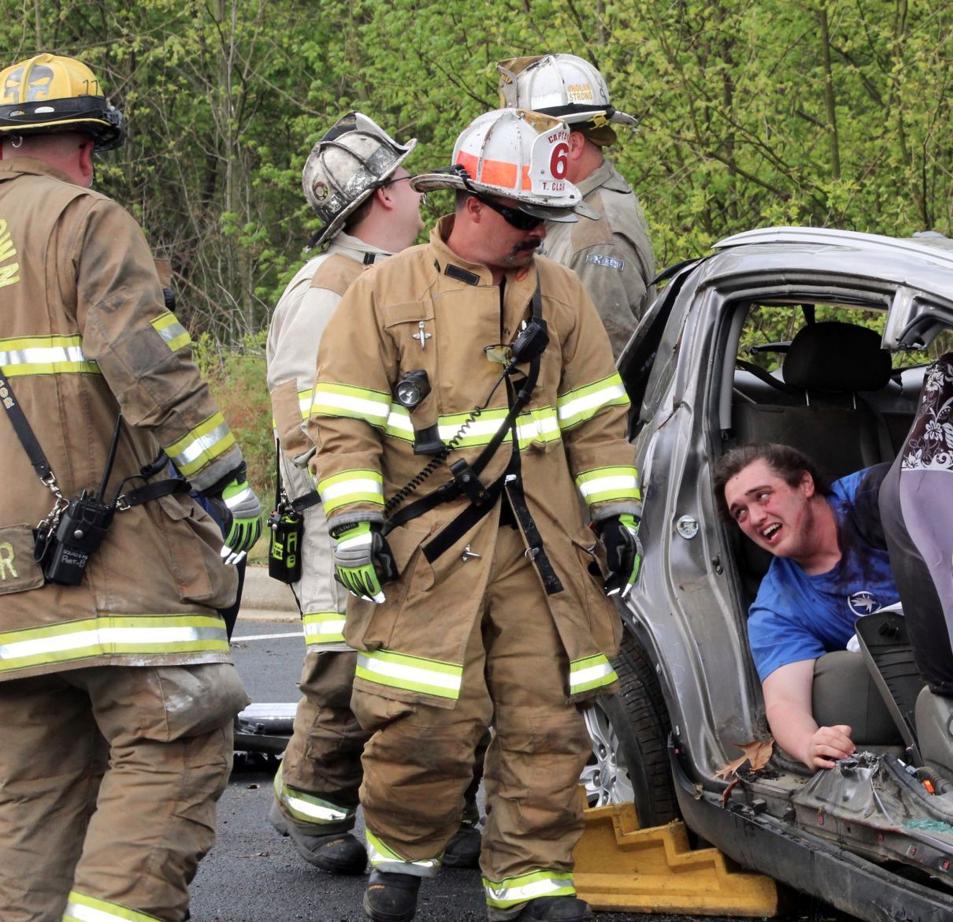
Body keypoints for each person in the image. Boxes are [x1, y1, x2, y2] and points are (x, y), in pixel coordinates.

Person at [308, 107, 641, 922]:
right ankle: (400, 865)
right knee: (422, 724)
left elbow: (598, 416)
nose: (540, 235)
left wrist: (613, 515)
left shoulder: (560, 297)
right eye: (528, 219)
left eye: (549, 219)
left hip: (542, 551)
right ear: (473, 204)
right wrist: (354, 523)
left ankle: (530, 883)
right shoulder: (383, 292)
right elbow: (342, 418)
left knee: (546, 721)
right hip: (426, 553)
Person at [0, 52, 259, 922]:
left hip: (6, 600)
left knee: (32, 798)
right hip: (114, 565)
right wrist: (224, 476)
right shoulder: (85, 217)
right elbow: (141, 359)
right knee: (175, 737)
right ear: (86, 144)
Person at [266, 111, 499, 877]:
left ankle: (432, 815)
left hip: (421, 510)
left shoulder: (408, 274)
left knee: (438, 668)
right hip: (343, 518)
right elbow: (306, 426)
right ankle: (308, 803)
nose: (413, 185)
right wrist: (356, 512)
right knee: (344, 669)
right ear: (377, 196)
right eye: (402, 177)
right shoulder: (327, 289)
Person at [715, 444, 899, 771]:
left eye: (762, 495)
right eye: (739, 512)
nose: (755, 518)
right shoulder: (776, 607)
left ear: (805, 484)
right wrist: (809, 743)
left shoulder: (881, 494)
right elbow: (784, 701)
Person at [498, 54, 656, 358]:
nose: (521, 154)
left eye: (532, 140)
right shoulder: (572, 209)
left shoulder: (594, 241)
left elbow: (602, 367)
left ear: (571, 145)